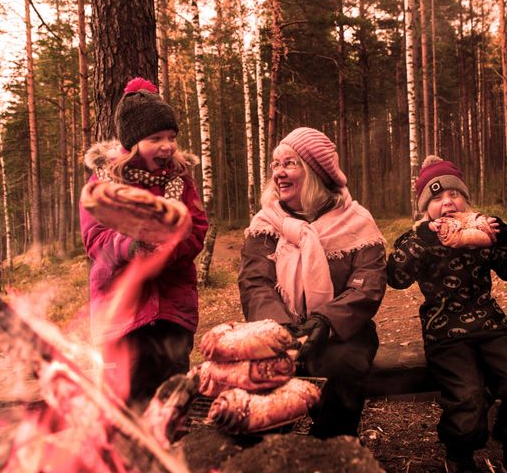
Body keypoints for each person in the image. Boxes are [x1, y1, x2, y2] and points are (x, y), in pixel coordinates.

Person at [386, 155, 507, 473]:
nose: (448, 202)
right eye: (437, 197)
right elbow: (396, 277)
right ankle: (459, 456)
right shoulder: (417, 238)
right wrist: (422, 238)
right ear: (424, 208)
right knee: (468, 398)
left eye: (455, 194)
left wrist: (506, 239)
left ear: (466, 200)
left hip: (493, 326)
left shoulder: (481, 233)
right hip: (444, 333)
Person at [238, 127, 387, 438]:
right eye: (275, 164)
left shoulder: (357, 221)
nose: (278, 173)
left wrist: (325, 322)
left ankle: (331, 449)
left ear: (316, 172)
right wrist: (284, 330)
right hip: (277, 333)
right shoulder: (265, 224)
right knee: (254, 380)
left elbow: (368, 283)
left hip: (341, 333)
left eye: (290, 163)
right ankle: (270, 451)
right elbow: (255, 283)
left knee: (343, 365)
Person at [80, 77, 209, 411]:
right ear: (133, 142)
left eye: (170, 137)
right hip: (122, 315)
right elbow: (95, 240)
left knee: (171, 402)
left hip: (172, 311)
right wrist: (132, 246)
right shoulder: (103, 184)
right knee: (128, 406)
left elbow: (196, 229)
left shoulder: (180, 181)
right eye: (155, 139)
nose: (167, 146)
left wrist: (168, 251)